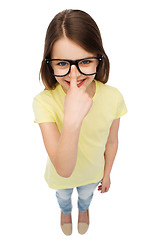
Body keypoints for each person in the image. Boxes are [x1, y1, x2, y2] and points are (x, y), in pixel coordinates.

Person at [32, 9, 127, 236]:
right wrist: (72, 117)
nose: (74, 75)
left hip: (92, 175)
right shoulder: (43, 102)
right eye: (62, 63)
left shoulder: (113, 96)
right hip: (60, 177)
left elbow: (112, 142)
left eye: (85, 61)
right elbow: (63, 170)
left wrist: (107, 173)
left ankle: (83, 210)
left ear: (99, 59)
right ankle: (66, 211)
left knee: (85, 197)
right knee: (64, 198)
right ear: (50, 65)